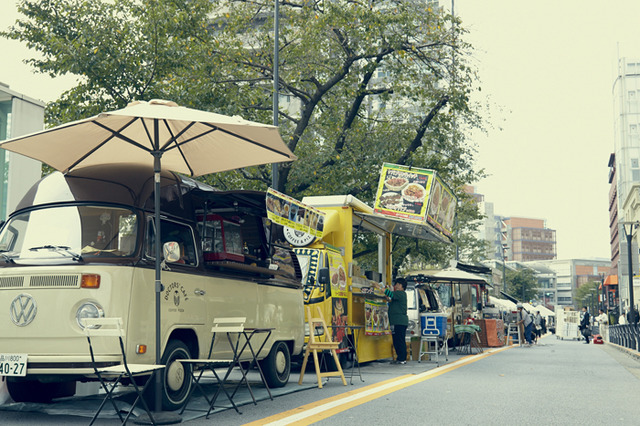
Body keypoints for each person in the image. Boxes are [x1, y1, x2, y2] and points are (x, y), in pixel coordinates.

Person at [385, 277, 408, 364]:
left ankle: (402, 359)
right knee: (396, 340)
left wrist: (380, 287)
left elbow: (390, 294)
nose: (396, 286)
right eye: (396, 284)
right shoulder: (398, 294)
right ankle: (400, 358)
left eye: (398, 284)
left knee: (400, 340)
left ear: (402, 286)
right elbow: (390, 298)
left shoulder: (401, 293)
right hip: (396, 322)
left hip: (400, 322)